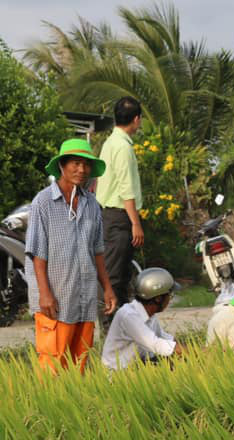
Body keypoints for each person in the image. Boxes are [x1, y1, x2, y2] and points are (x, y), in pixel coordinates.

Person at [26, 139, 117, 374]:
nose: (82, 170)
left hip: (84, 298)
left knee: (79, 366)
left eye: (86, 165)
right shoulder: (43, 202)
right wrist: (44, 294)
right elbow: (37, 254)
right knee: (53, 365)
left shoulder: (92, 205)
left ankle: (74, 409)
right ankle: (48, 410)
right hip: (55, 299)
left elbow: (97, 251)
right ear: (62, 166)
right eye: (75, 164)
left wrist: (107, 288)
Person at [96, 97, 144, 325]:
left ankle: (122, 329)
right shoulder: (122, 147)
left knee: (121, 276)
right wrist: (135, 222)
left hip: (109, 216)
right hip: (118, 217)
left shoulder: (110, 143)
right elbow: (126, 188)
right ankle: (109, 330)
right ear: (136, 120)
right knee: (114, 277)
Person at [102, 267, 181, 370]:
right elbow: (155, 344)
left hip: (137, 366)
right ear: (158, 298)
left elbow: (164, 337)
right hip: (119, 374)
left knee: (180, 362)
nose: (169, 300)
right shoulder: (128, 315)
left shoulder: (149, 315)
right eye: (169, 295)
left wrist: (193, 350)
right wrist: (195, 352)